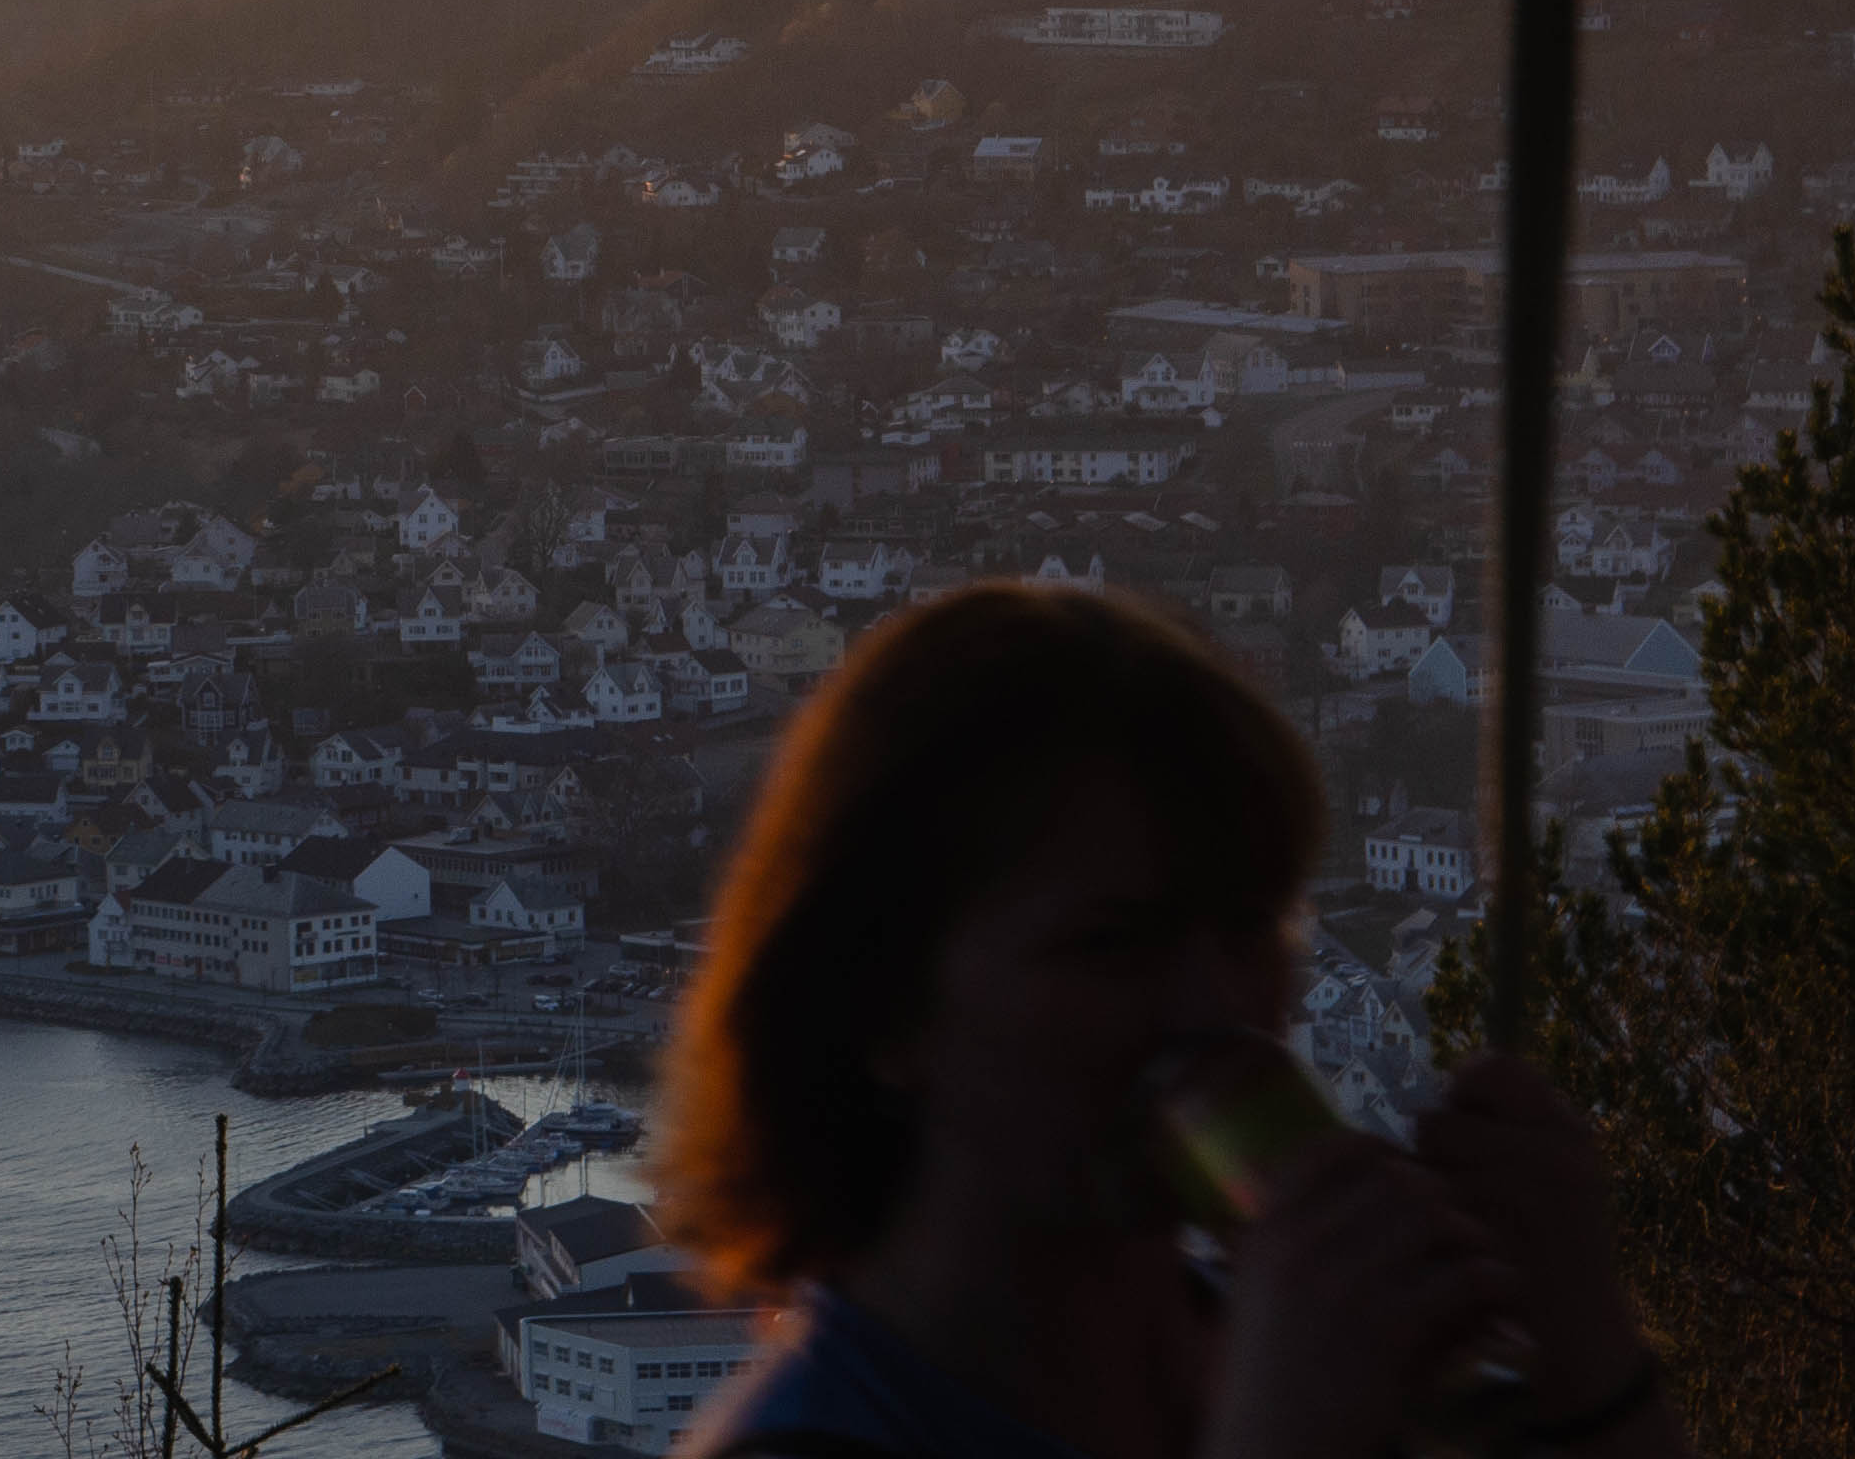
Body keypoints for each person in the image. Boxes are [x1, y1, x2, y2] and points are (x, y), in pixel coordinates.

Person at [659, 582, 1685, 1459]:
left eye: (1248, 926)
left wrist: (1582, 1348)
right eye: (1112, 945)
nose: (1219, 1008)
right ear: (880, 1005)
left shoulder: (1317, 1358)